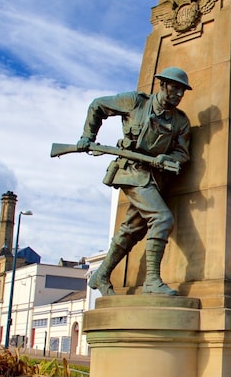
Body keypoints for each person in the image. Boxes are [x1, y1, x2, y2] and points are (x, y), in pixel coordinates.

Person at [77, 67, 192, 296]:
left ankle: (101, 274)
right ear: (162, 85)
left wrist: (166, 158)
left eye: (182, 90)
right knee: (162, 218)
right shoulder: (135, 102)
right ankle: (151, 281)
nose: (178, 94)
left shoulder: (180, 121)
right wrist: (88, 136)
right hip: (131, 172)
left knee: (131, 230)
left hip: (154, 179)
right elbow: (97, 106)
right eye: (174, 88)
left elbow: (183, 154)